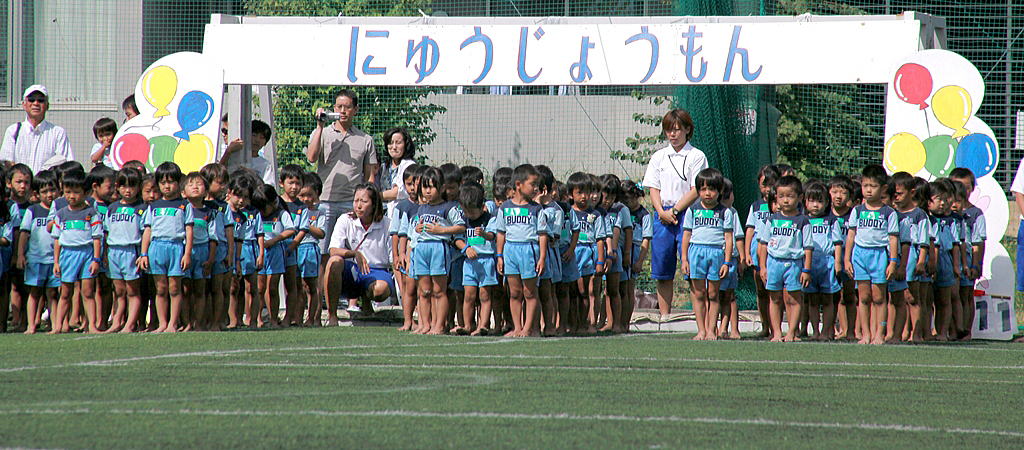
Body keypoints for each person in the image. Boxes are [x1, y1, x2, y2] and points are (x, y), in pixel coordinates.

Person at [641, 109, 708, 321]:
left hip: (687, 215)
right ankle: (664, 317)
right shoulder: (658, 156)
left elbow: (696, 188)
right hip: (662, 217)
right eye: (669, 130)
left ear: (688, 130)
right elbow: (653, 187)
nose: (673, 134)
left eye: (677, 129)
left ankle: (701, 319)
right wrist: (661, 212)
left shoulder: (696, 156)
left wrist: (676, 211)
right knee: (662, 269)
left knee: (692, 269)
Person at [306, 89, 378, 261]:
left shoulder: (365, 139)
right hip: (324, 201)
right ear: (333, 108)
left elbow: (370, 176)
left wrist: (368, 205)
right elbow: (311, 157)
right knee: (322, 252)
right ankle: (321, 289)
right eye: (339, 106)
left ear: (356, 109)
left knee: (349, 252)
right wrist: (319, 127)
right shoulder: (322, 133)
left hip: (351, 204)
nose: (343, 111)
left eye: (347, 107)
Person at [844, 165, 900, 345]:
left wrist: (892, 262)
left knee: (879, 297)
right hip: (860, 255)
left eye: (873, 186)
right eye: (865, 185)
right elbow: (851, 235)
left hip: (879, 256)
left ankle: (879, 333)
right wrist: (846, 259)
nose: (868, 190)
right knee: (864, 297)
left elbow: (893, 238)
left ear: (883, 188)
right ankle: (865, 334)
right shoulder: (857, 211)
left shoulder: (889, 213)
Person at [325, 183, 395, 326]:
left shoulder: (387, 224)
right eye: (356, 201)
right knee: (334, 262)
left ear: (374, 204)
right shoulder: (345, 219)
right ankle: (332, 315)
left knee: (380, 290)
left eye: (364, 201)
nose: (358, 206)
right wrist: (353, 253)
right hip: (352, 270)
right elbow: (333, 250)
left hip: (377, 271)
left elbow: (393, 258)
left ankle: (367, 300)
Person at [138, 162, 194, 333]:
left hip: (176, 247)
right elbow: (148, 230)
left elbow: (189, 229)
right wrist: (144, 253)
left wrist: (187, 253)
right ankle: (162, 323)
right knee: (160, 288)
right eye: (163, 182)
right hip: (156, 248)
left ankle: (173, 324)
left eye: (171, 182)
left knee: (175, 288)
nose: (167, 186)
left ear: (179, 183)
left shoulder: (184, 205)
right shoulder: (153, 207)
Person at [679, 168, 734, 341]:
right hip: (696, 252)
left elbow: (728, 237)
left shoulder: (725, 212)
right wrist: (684, 259)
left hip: (716, 253)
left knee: (713, 294)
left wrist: (726, 261)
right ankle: (701, 330)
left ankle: (712, 331)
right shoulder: (692, 210)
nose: (707, 193)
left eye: (711, 189)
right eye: (703, 189)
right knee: (699, 293)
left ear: (719, 191)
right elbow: (686, 235)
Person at [495, 164, 548, 338]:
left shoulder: (537, 209)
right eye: (532, 184)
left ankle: (529, 328)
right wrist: (500, 256)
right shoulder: (504, 208)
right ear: (518, 184)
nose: (536, 188)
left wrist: (541, 257)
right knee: (515, 292)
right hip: (510, 251)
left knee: (530, 292)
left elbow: (542, 235)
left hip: (529, 251)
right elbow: (501, 233)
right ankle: (517, 327)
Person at [757, 175, 812, 342]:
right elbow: (764, 244)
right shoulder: (772, 219)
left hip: (794, 263)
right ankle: (776, 333)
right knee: (774, 298)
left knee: (793, 298)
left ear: (799, 197)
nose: (785, 200)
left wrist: (806, 270)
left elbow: (808, 247)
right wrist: (763, 267)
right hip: (774, 263)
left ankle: (791, 333)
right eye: (781, 196)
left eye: (790, 196)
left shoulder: (803, 221)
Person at [50, 170, 103, 334]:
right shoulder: (61, 214)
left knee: (88, 292)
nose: (71, 196)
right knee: (65, 292)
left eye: (76, 192)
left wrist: (96, 259)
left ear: (86, 193)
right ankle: (58, 326)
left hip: (86, 255)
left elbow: (96, 238)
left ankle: (92, 326)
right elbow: (57, 239)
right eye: (67, 192)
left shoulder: (91, 214)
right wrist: (56, 262)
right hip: (67, 255)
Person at [103, 168, 146, 333]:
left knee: (132, 290)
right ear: (117, 187)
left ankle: (130, 324)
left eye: (132, 186)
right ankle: (117, 322)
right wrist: (105, 253)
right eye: (124, 186)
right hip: (113, 251)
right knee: (119, 290)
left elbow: (144, 232)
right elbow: (106, 232)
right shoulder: (112, 208)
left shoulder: (141, 208)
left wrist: (143, 254)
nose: (128, 190)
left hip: (131, 251)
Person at [18, 170, 59, 334]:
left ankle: (55, 325)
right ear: (36, 193)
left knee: (52, 293)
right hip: (35, 259)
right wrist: (20, 255)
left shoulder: (61, 211)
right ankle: (31, 326)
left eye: (52, 190)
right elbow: (24, 234)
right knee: (34, 293)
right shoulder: (32, 211)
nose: (49, 194)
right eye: (44, 191)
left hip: (53, 260)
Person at [802, 180, 842, 341]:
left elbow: (838, 243)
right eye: (811, 201)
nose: (815, 205)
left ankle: (826, 331)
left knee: (827, 298)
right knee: (812, 299)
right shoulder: (802, 220)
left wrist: (838, 263)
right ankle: (815, 332)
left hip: (827, 263)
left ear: (827, 202)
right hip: (809, 264)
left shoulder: (831, 221)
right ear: (805, 201)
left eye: (820, 201)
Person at [0, 85, 74, 173]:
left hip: (46, 186)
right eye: (31, 100)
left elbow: (65, 162)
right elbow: (7, 161)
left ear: (47, 106)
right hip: (21, 186)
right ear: (24, 104)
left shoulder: (57, 132)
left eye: (41, 100)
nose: (36, 103)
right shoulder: (13, 130)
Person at [256, 184, 295, 328]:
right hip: (259, 252)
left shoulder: (281, 214)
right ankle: (257, 318)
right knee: (259, 288)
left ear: (273, 203)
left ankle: (273, 319)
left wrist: (274, 240)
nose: (262, 211)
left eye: (264, 207)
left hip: (276, 252)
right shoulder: (256, 213)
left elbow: (290, 230)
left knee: (272, 287)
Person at [292, 172, 325, 326]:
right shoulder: (295, 211)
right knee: (297, 285)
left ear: (317, 195)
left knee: (311, 285)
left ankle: (312, 318)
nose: (306, 199)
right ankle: (297, 318)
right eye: (302, 195)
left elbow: (321, 233)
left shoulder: (319, 212)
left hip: (310, 249)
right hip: (296, 249)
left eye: (310, 195)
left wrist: (307, 225)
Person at [220, 120, 276, 185]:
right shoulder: (232, 156)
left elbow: (268, 187)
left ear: (265, 143)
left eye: (262, 137)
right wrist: (228, 151)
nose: (257, 140)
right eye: (254, 135)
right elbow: (219, 172)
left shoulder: (265, 165)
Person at [379, 127, 416, 209]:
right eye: (390, 143)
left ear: (406, 145)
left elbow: (397, 192)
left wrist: (373, 196)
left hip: (401, 211)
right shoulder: (384, 166)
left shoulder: (409, 165)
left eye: (398, 143)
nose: (394, 147)